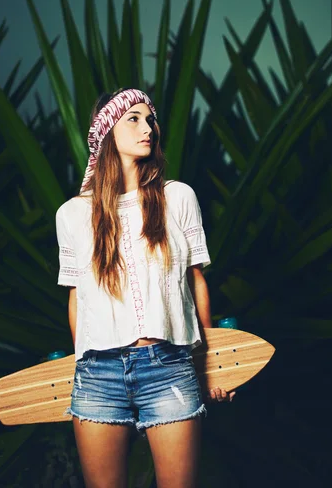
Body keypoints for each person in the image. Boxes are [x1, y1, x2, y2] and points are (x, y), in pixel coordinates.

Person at [55, 88, 235, 488]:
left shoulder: (178, 197)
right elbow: (76, 298)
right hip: (97, 374)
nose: (147, 127)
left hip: (168, 365)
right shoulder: (72, 215)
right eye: (132, 119)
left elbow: (195, 281)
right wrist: (80, 365)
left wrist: (215, 363)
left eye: (150, 118)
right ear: (105, 134)